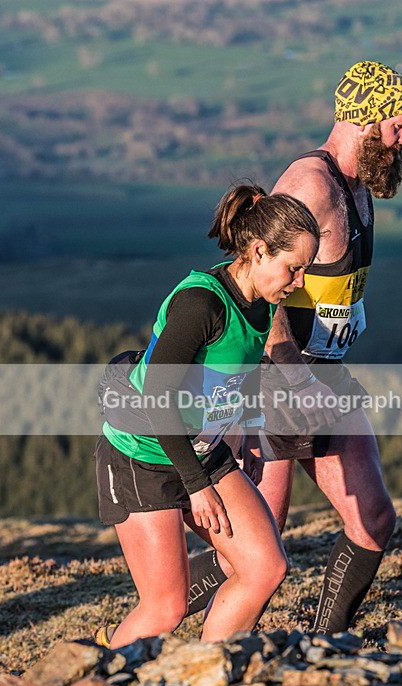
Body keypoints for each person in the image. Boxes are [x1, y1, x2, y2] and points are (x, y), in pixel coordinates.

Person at [185, 60, 402, 634]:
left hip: (325, 376)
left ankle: (324, 645)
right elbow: (261, 288)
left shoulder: (359, 187)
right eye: (398, 126)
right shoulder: (309, 186)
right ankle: (161, 625)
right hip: (276, 381)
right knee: (260, 541)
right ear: (364, 120)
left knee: (374, 519)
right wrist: (292, 372)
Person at [94, 183, 320, 648]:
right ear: (259, 251)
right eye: (294, 269)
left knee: (265, 567)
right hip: (143, 454)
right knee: (166, 608)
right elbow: (158, 397)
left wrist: (251, 433)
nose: (299, 283)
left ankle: (210, 675)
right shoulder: (202, 304)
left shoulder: (261, 302)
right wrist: (196, 486)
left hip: (202, 449)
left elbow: (240, 372)